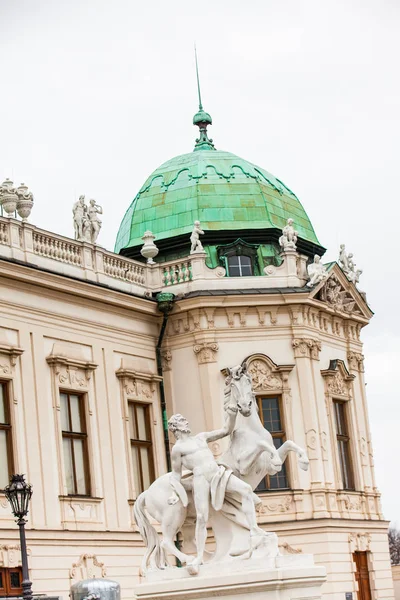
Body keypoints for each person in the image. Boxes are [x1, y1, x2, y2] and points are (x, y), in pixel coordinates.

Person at [168, 411, 266, 570]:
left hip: (217, 472)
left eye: (185, 420)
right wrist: (175, 493)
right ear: (175, 428)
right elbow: (176, 474)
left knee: (246, 490)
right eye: (182, 421)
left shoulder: (201, 437)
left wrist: (232, 414)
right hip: (201, 479)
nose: (186, 422)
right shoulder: (177, 449)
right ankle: (200, 556)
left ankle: (254, 530)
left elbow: (226, 430)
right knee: (201, 517)